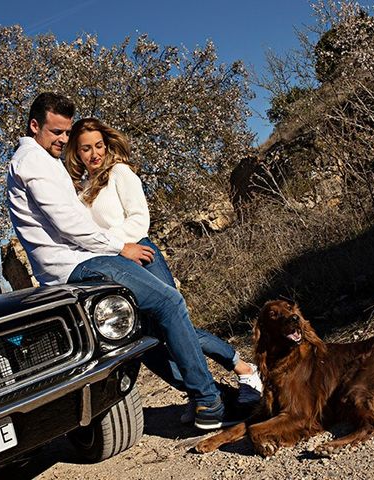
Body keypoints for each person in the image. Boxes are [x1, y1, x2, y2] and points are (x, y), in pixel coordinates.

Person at [7, 92, 235, 429]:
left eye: (67, 132)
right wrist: (120, 246)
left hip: (77, 262)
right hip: (79, 263)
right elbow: (70, 225)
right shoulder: (34, 163)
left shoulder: (42, 163)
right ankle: (209, 401)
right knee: (170, 304)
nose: (63, 139)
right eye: (56, 132)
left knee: (150, 325)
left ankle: (212, 393)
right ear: (34, 125)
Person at [64, 118, 263, 422]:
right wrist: (113, 252)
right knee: (146, 339)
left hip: (140, 255)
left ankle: (243, 369)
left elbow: (138, 220)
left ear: (107, 145)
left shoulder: (120, 173)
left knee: (173, 326)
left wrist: (119, 247)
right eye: (86, 149)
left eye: (99, 146)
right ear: (76, 153)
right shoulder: (81, 193)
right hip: (115, 265)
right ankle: (203, 394)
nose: (95, 154)